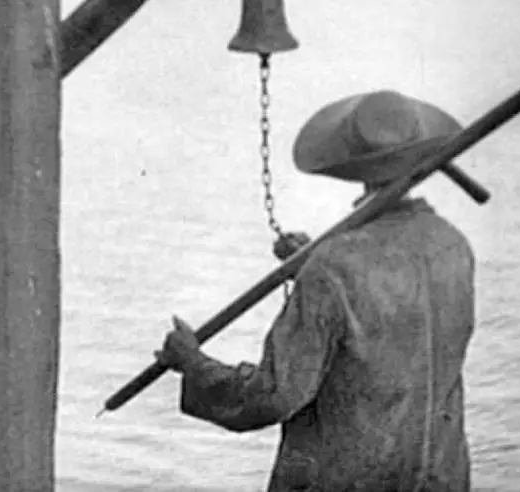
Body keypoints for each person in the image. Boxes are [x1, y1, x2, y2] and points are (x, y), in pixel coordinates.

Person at [157, 90, 476, 491]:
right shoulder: (452, 245)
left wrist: (194, 364)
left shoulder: (334, 267)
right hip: (437, 478)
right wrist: (314, 264)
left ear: (354, 167)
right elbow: (392, 315)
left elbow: (273, 395)